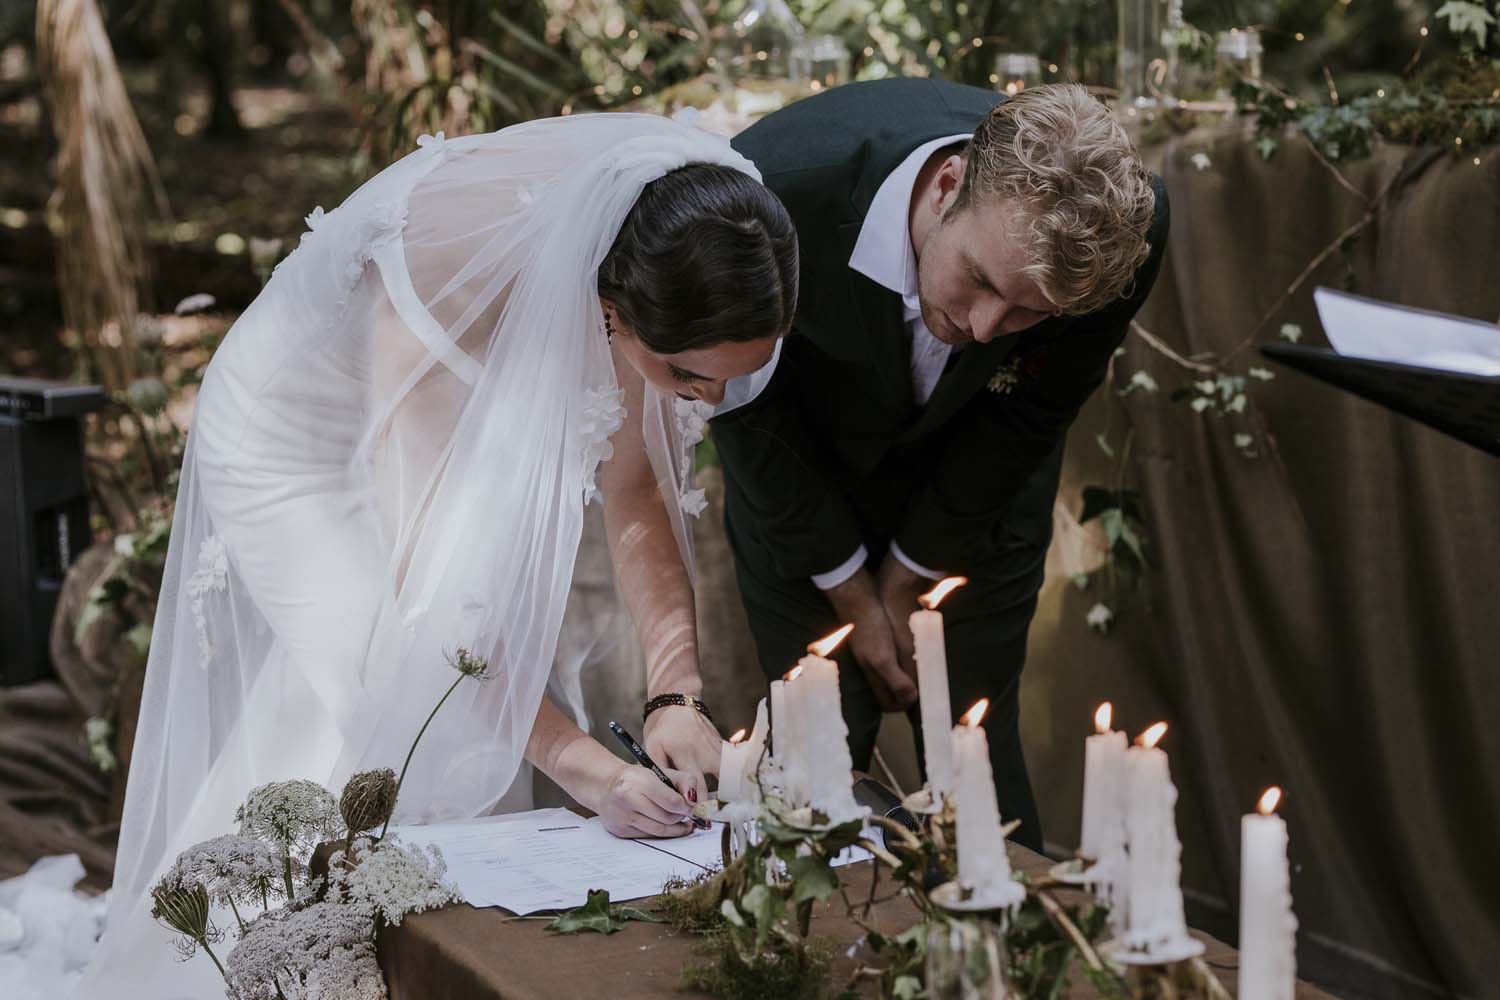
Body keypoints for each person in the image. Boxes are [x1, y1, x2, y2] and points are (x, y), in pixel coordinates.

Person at [76, 112, 797, 998]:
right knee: (413, 730)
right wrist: (589, 767)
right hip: (293, 445)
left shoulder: (694, 236)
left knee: (471, 739)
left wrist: (676, 696)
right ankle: (267, 971)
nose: (714, 401)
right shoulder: (450, 264)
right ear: (612, 313)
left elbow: (637, 494)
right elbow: (432, 593)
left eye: (733, 376)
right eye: (692, 378)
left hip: (428, 434)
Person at [713, 80, 1169, 852]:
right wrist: (855, 596)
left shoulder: (1132, 236)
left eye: (1029, 315)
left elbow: (1031, 412)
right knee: (816, 751)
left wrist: (909, 578)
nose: (987, 328)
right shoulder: (763, 193)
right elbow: (745, 408)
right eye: (983, 281)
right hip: (800, 486)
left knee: (975, 749)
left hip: (977, 499)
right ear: (950, 185)